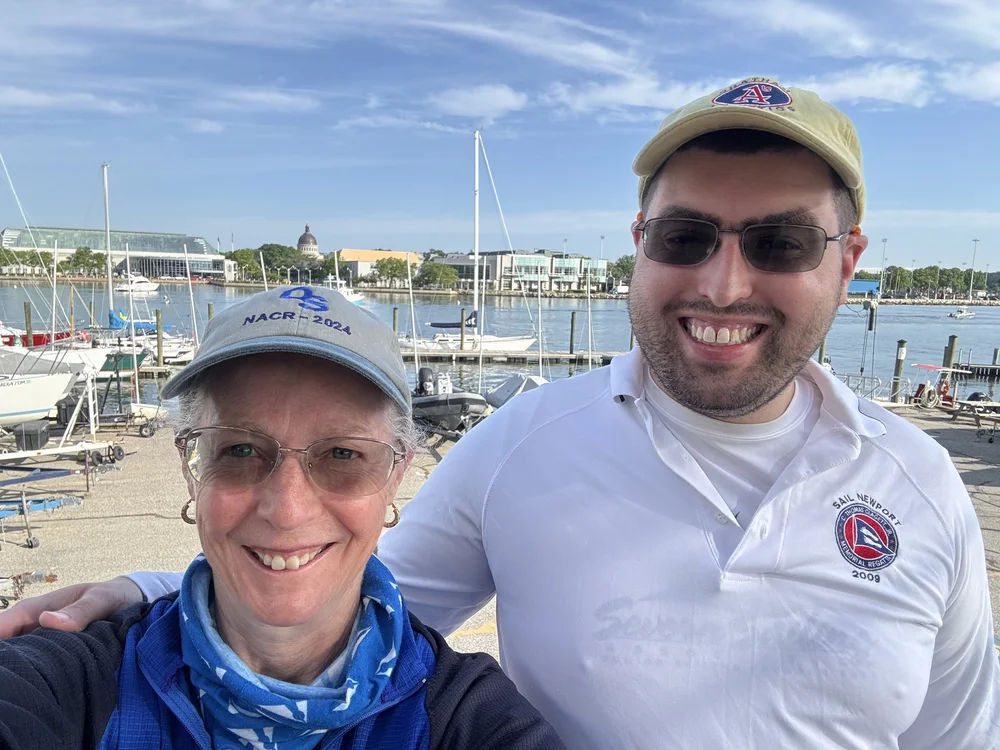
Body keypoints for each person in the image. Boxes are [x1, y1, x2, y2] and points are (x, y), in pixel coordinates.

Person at [3, 77, 998, 748]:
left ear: (849, 259)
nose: (723, 282)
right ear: (641, 243)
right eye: (688, 235)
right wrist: (146, 590)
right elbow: (321, 579)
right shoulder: (526, 445)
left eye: (779, 242)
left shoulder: (919, 486)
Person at [0, 286, 564, 749]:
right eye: (241, 451)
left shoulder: (467, 721)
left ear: (395, 476)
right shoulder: (73, 683)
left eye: (343, 455)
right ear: (193, 468)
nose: (287, 510)